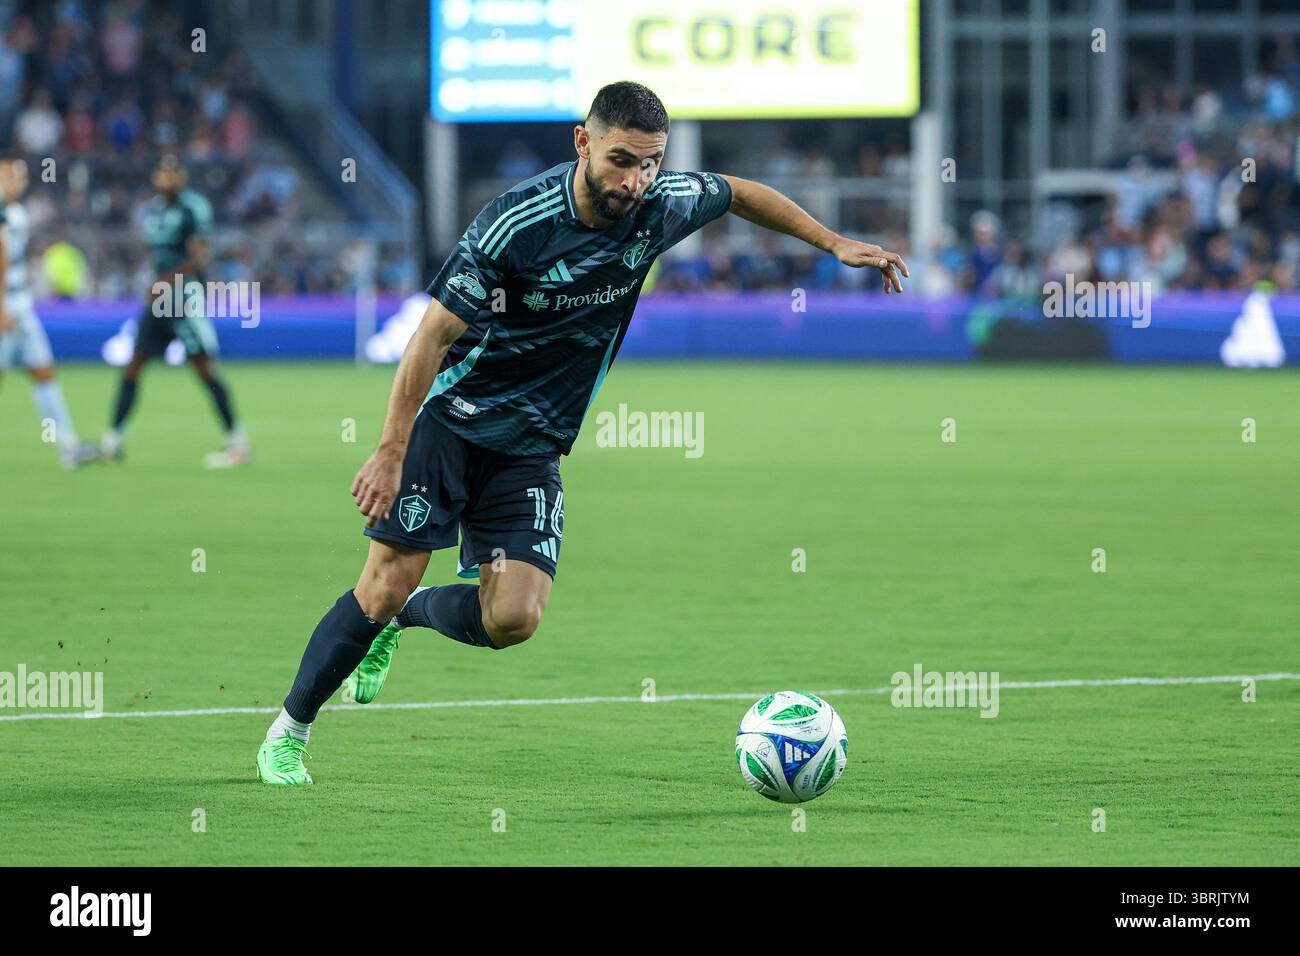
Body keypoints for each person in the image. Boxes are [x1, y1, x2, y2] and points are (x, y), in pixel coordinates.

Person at [257, 81, 907, 785]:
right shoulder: (514, 225)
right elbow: (429, 339)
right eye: (622, 159)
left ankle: (407, 618)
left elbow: (741, 192)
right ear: (582, 142)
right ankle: (289, 731)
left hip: (533, 443)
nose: (636, 180)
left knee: (514, 618)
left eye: (651, 162)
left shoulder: (659, 203)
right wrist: (390, 449)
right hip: (453, 424)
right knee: (380, 584)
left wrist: (834, 242)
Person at [101, 154, 249, 468]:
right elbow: (155, 252)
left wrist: (165, 281)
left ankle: (237, 441)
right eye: (162, 172)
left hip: (183, 297)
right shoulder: (152, 210)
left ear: (181, 176)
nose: (167, 178)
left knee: (205, 369)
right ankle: (113, 440)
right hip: (158, 298)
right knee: (134, 364)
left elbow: (198, 258)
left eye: (173, 173)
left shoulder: (193, 207)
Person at [0, 157, 98, 469]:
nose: (18, 181)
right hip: (6, 305)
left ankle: (67, 446)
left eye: (21, 176)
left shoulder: (15, 213)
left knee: (43, 372)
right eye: (11, 175)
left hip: (20, 304)